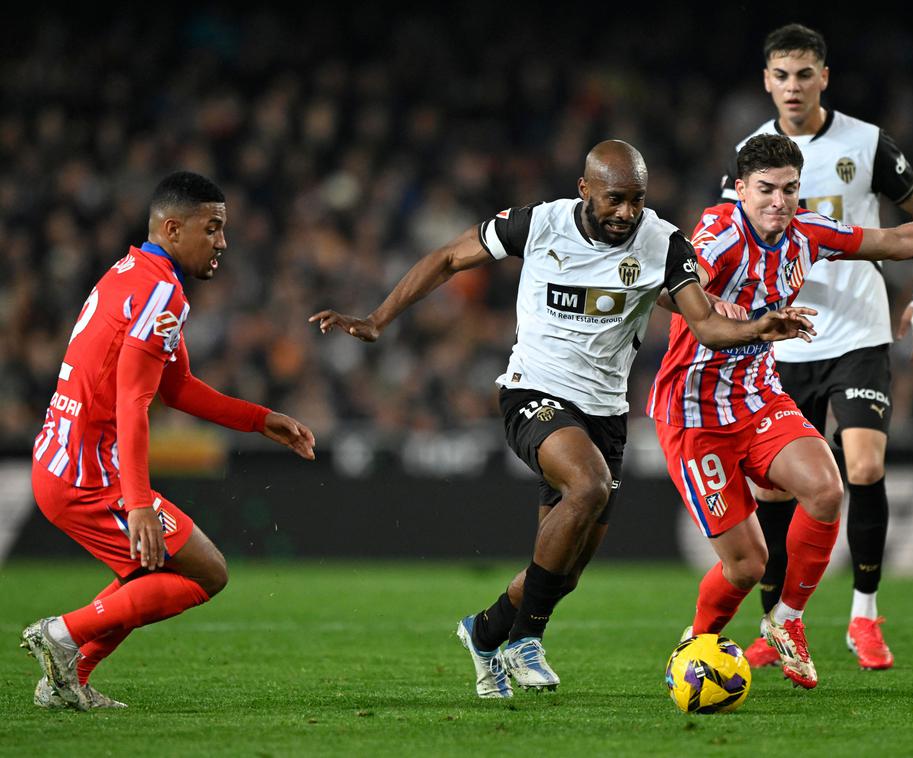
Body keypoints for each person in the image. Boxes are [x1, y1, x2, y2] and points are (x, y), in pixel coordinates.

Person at [309, 140, 816, 699]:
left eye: (637, 201)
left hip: (605, 414)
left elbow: (705, 324)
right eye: (615, 199)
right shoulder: (537, 225)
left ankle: (484, 632)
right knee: (588, 483)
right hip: (534, 394)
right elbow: (449, 257)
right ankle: (527, 641)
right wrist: (379, 320)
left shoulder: (664, 243)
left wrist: (759, 327)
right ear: (585, 190)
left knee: (565, 571)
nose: (627, 213)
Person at [651, 134, 913, 688]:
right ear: (740, 190)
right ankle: (698, 641)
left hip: (757, 398)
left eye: (789, 189)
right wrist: (706, 302)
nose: (778, 201)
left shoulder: (804, 233)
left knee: (828, 490)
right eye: (765, 190)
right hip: (695, 416)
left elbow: (898, 239)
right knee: (748, 566)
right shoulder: (718, 234)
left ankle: (786, 621)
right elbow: (670, 288)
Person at [20, 171, 316, 711]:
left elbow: (174, 388)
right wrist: (136, 503)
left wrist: (258, 419)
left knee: (147, 573)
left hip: (61, 461)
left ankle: (67, 682)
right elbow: (133, 402)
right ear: (174, 228)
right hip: (89, 476)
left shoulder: (129, 272)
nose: (223, 241)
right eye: (214, 228)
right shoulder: (162, 292)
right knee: (206, 572)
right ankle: (62, 635)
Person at [719, 23, 913, 671]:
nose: (793, 87)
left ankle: (865, 618)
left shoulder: (866, 143)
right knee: (773, 495)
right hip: (779, 344)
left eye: (804, 74)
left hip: (858, 332)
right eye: (781, 76)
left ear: (824, 77)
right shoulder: (749, 153)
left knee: (865, 468)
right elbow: (727, 245)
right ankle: (778, 628)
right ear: (767, 80)